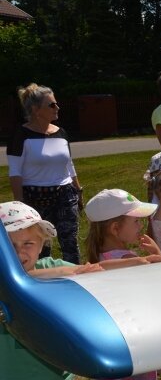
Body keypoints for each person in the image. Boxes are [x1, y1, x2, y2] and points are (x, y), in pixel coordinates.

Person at [0, 201, 101, 380]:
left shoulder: (51, 265)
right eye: (9, 246)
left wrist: (148, 261)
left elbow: (89, 274)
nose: (19, 253)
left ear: (42, 244)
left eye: (28, 244)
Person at [82, 189, 161, 380]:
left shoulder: (98, 258)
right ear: (114, 227)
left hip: (109, 337)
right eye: (135, 221)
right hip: (132, 338)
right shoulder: (128, 262)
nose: (141, 225)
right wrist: (157, 253)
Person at [7, 83, 83, 264]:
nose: (57, 108)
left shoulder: (61, 133)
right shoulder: (21, 135)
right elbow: (15, 172)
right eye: (51, 105)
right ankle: (44, 279)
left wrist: (78, 190)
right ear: (35, 109)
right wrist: (20, 203)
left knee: (70, 242)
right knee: (41, 245)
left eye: (56, 103)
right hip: (35, 198)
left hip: (65, 195)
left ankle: (77, 278)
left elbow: (69, 164)